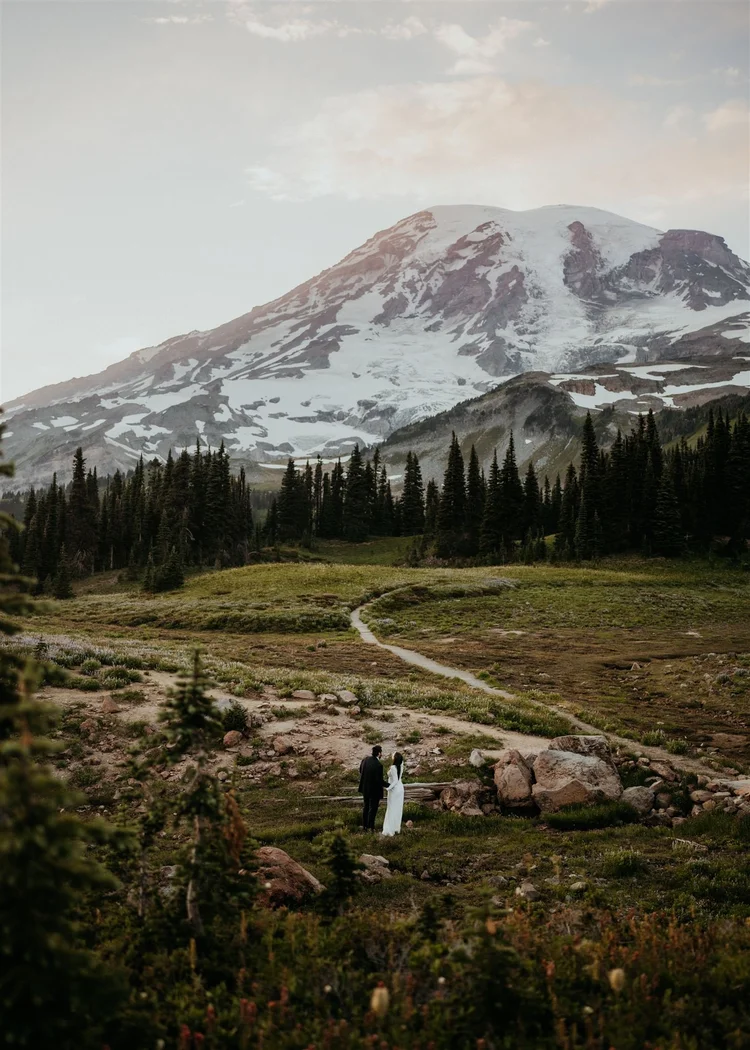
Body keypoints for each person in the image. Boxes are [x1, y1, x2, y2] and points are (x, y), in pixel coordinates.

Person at [358, 745, 388, 831]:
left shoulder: (365, 760)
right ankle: (371, 826)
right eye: (381, 753)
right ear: (379, 753)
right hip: (374, 791)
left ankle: (364, 826)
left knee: (366, 807)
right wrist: (389, 785)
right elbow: (379, 780)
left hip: (365, 788)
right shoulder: (378, 765)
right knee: (373, 808)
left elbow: (360, 770)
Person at [382, 752, 405, 837]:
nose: (391, 756)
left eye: (393, 755)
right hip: (400, 788)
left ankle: (389, 829)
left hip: (394, 790)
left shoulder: (393, 767)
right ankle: (396, 827)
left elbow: (394, 781)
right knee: (398, 809)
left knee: (391, 808)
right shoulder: (401, 766)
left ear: (395, 758)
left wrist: (388, 788)